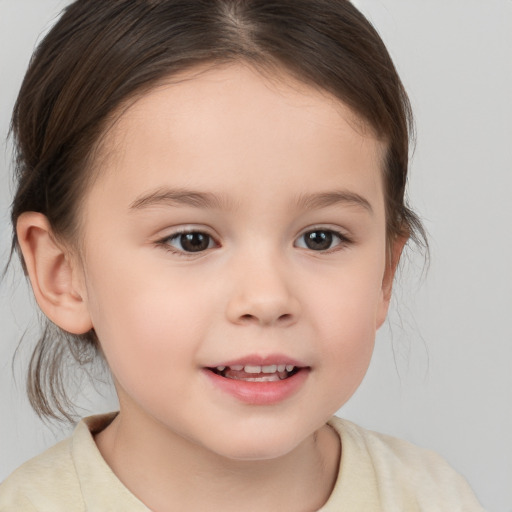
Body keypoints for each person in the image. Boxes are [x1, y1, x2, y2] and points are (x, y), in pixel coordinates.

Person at [0, 1, 486, 510]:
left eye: (320, 238)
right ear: (63, 273)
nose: (267, 298)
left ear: (385, 273)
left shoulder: (434, 498)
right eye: (191, 239)